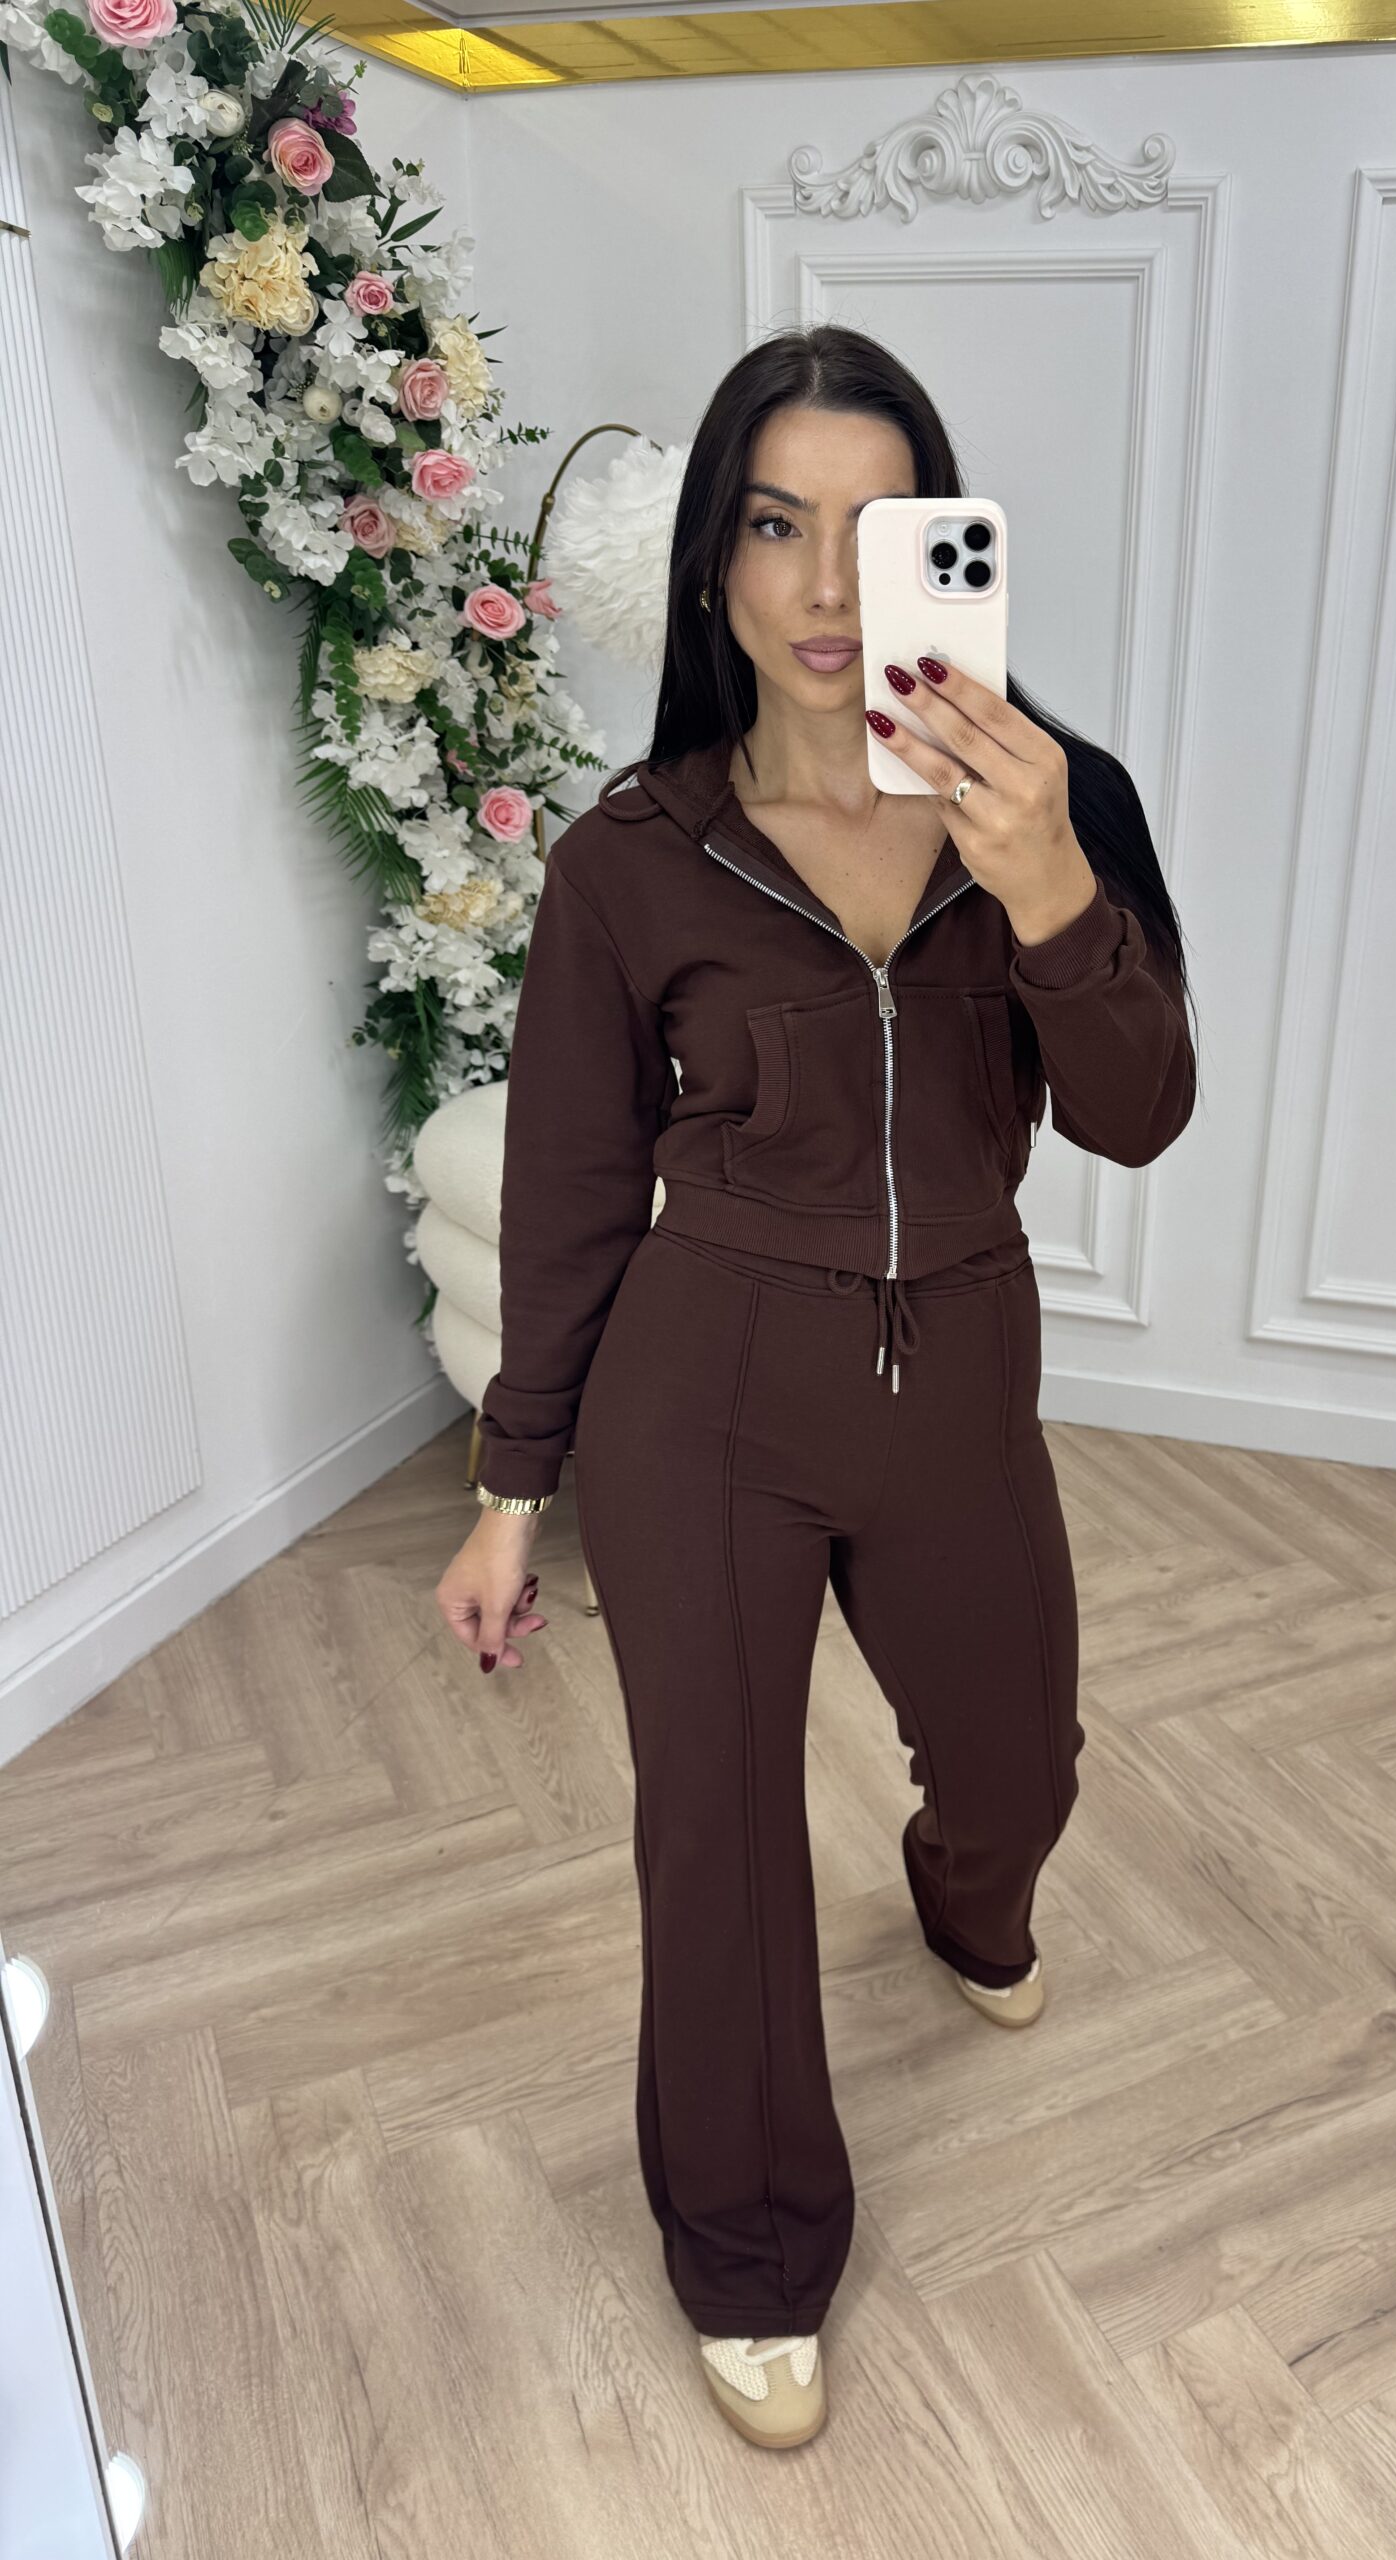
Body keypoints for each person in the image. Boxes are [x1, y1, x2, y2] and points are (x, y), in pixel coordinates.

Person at [435, 323, 1198, 2450]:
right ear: (713, 562)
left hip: (959, 1366)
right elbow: (568, 1189)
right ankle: (751, 2249)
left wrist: (1046, 885)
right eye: (779, 525)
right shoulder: (633, 857)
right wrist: (510, 1486)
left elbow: (1141, 1112)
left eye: (883, 528)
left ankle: (969, 1897)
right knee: (723, 1837)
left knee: (1020, 1762)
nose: (832, 585)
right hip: (707, 1393)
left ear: (955, 548)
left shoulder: (1056, 800)